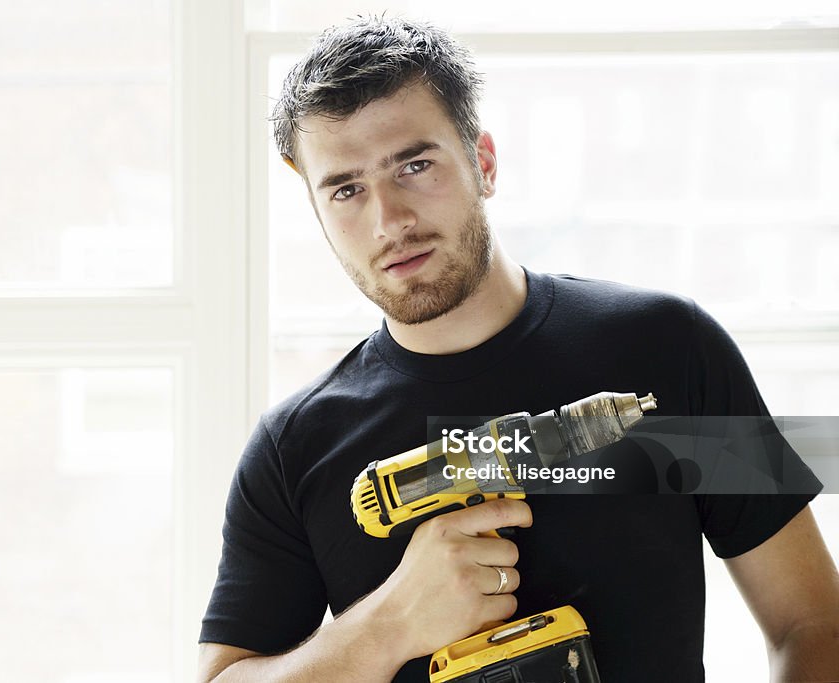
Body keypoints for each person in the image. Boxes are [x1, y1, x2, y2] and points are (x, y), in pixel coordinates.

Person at [197, 16, 839, 682]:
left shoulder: (675, 349)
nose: (390, 220)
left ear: (484, 162)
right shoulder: (292, 448)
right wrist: (387, 624)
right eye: (347, 189)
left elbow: (813, 622)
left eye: (415, 165)